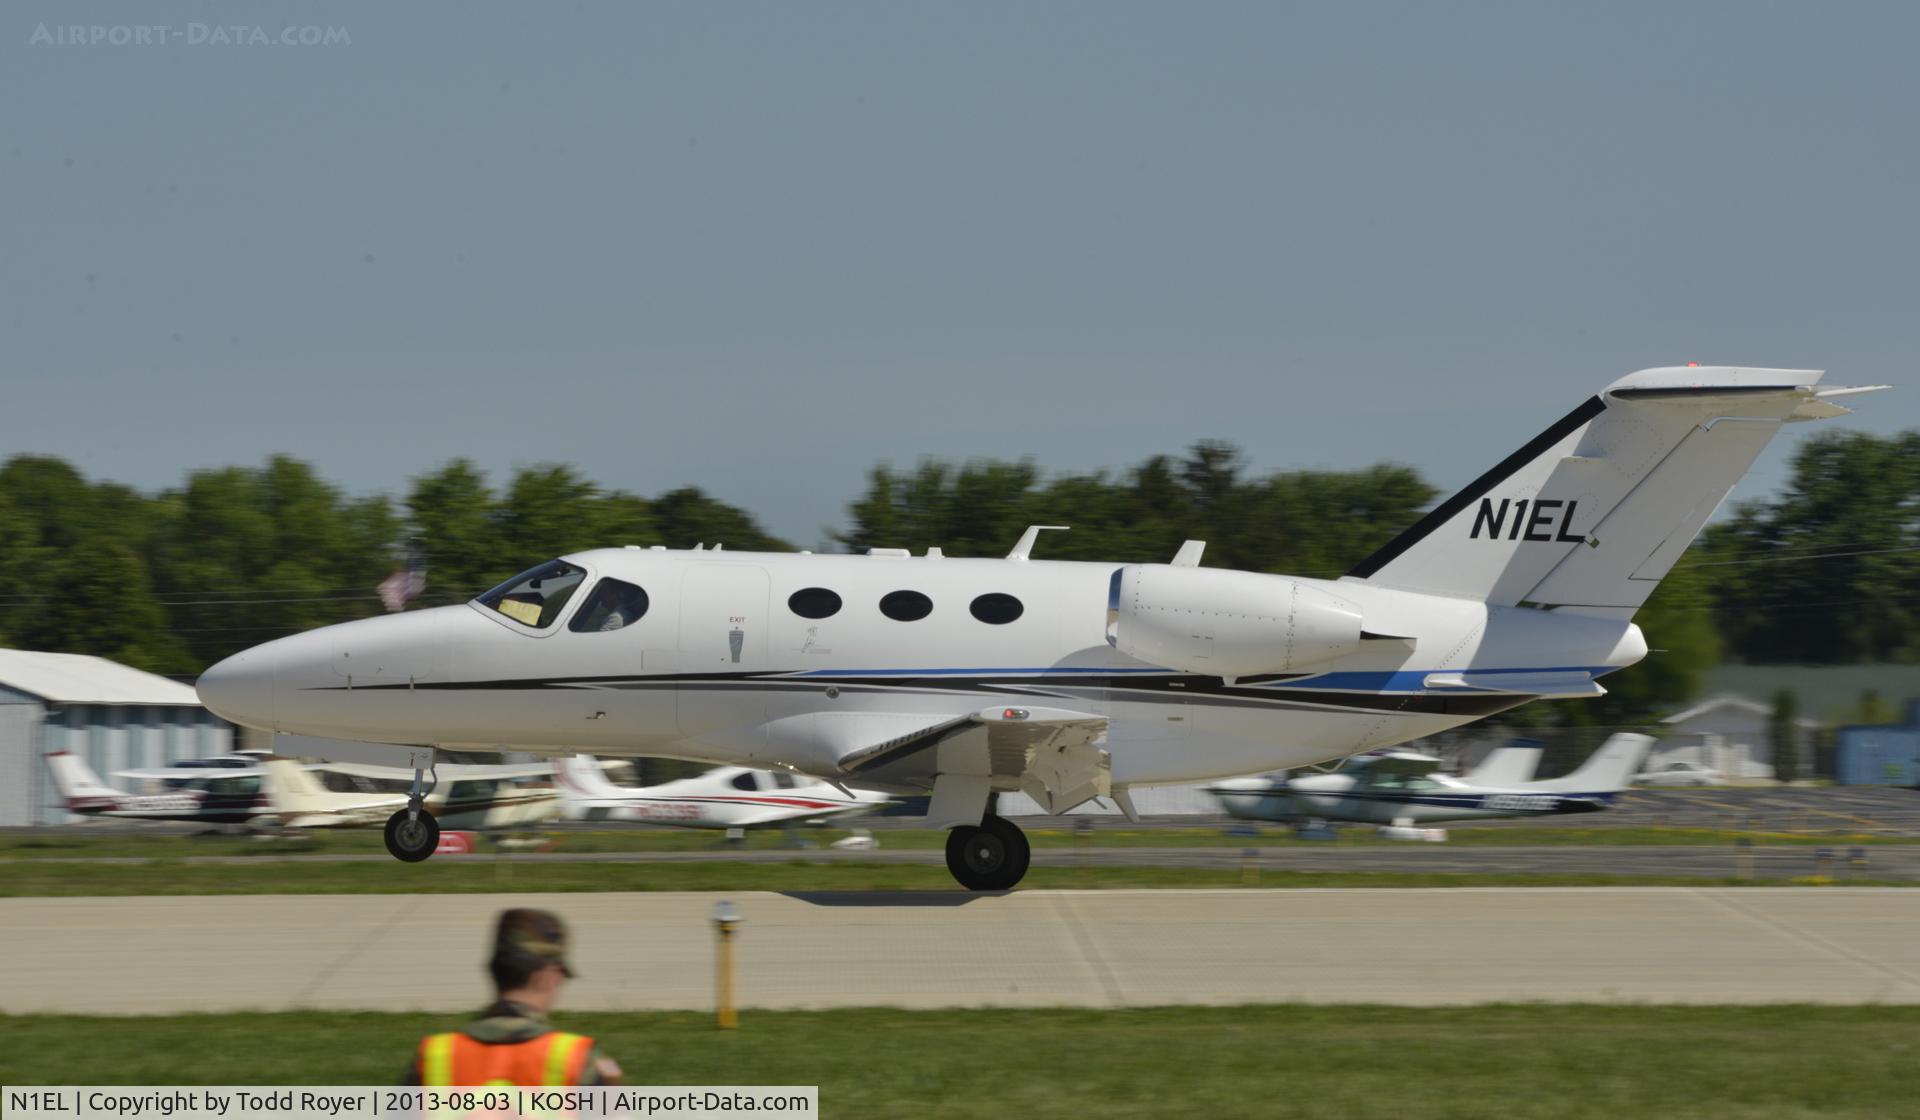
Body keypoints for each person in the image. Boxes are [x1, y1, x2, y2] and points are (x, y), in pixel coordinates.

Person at [407, 908, 623, 1086]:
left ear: (495, 970)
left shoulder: (433, 1059)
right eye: (562, 975)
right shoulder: (580, 1062)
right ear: (547, 976)